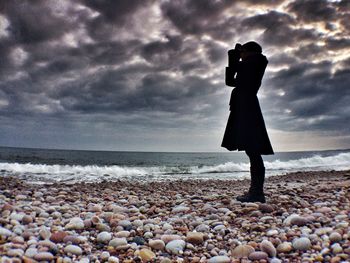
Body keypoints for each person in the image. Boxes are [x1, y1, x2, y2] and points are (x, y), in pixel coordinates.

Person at [222, 41, 274, 203]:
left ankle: (257, 192)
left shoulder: (256, 62)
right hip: (244, 107)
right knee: (251, 149)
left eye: (243, 52)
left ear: (250, 52)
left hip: (247, 108)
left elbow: (237, 73)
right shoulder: (249, 64)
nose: (241, 55)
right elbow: (230, 82)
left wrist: (233, 57)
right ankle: (256, 191)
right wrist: (234, 58)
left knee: (253, 149)